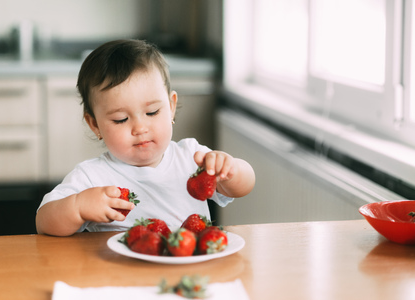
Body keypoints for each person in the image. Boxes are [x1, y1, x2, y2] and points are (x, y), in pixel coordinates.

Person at [36, 39, 255, 236]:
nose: (140, 128)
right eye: (121, 119)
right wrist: (77, 206)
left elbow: (244, 185)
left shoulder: (191, 157)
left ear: (171, 107)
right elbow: (44, 221)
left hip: (187, 270)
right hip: (120, 274)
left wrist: (232, 169)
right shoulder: (92, 176)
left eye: (152, 113)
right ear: (95, 125)